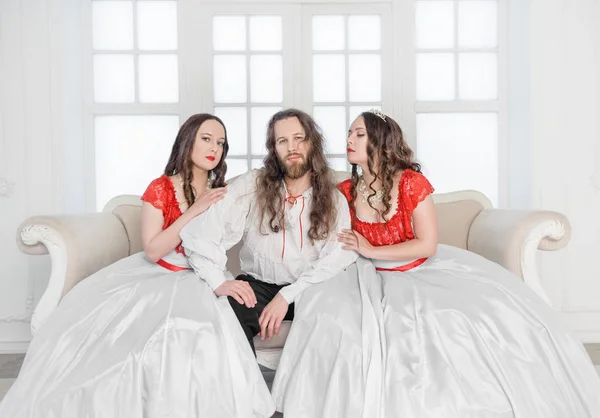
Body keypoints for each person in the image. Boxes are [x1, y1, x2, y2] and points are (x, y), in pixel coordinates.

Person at [0, 114, 276, 418]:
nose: (214, 148)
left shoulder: (222, 190)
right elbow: (154, 249)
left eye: (221, 143)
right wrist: (195, 210)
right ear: (188, 142)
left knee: (211, 329)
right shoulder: (161, 188)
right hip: (161, 275)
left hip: (205, 276)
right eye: (206, 139)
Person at [334, 109, 600, 417]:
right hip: (369, 277)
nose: (349, 140)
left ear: (380, 142)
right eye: (349, 134)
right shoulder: (345, 192)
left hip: (420, 270)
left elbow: (427, 244)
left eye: (359, 134)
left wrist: (371, 250)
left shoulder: (411, 183)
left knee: (455, 320)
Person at [179, 109, 361, 415]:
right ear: (273, 149)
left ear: (312, 144)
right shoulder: (252, 186)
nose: (291, 147)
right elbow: (201, 234)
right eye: (282, 141)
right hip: (259, 285)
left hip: (313, 287)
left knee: (336, 322)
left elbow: (338, 257)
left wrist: (287, 295)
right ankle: (247, 408)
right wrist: (220, 280)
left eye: (299, 139)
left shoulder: (333, 198)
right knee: (224, 313)